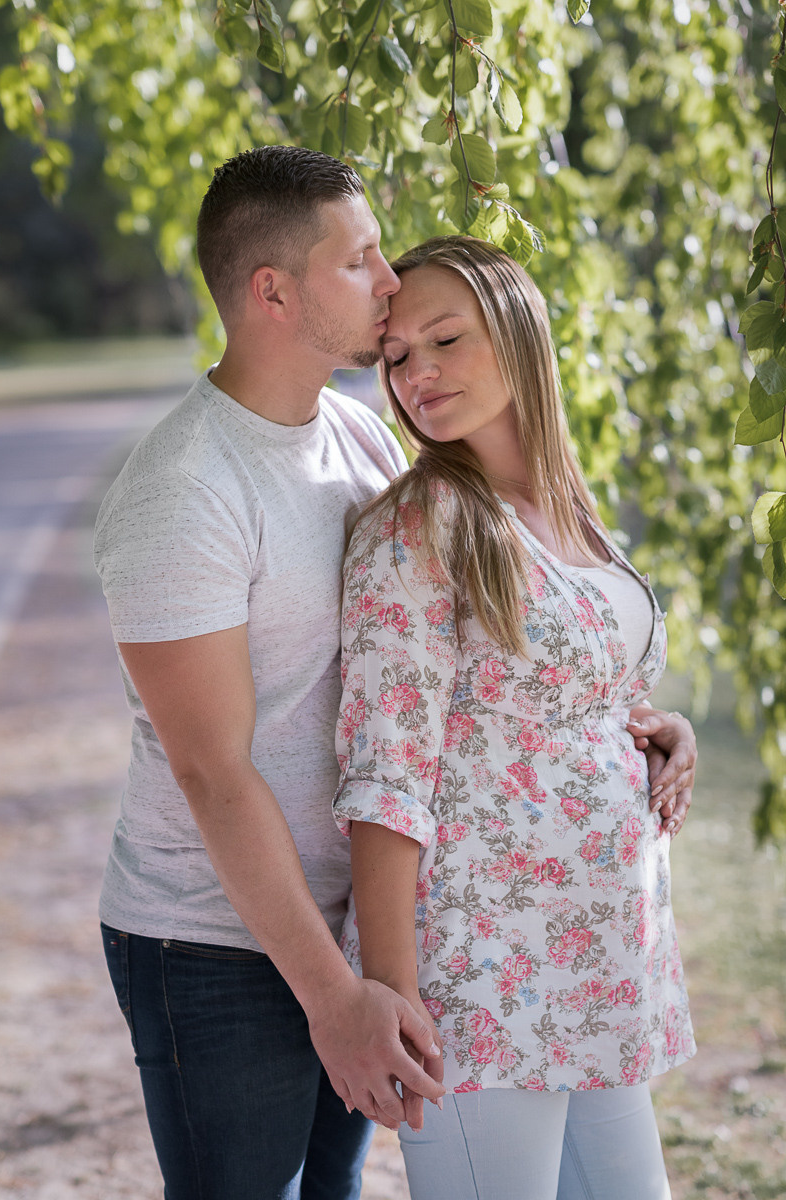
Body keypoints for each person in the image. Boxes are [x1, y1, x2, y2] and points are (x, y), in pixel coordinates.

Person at [94, 146, 694, 1200]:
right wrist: (343, 996)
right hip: (220, 944)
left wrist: (628, 723)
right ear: (272, 290)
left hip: (349, 922)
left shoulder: (360, 437)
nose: (386, 285)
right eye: (361, 259)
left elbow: (474, 667)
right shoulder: (183, 492)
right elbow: (212, 776)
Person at [333, 235, 696, 1199]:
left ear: (519, 330)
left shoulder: (568, 511)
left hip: (598, 969)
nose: (419, 373)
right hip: (484, 982)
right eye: (397, 355)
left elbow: (569, 690)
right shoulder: (420, 528)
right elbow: (387, 774)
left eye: (445, 339)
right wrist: (393, 996)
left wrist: (660, 728)